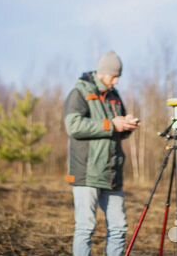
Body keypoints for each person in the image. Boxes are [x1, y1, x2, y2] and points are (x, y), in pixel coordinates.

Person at [64, 51, 140, 256]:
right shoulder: (79, 93)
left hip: (112, 173)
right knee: (85, 228)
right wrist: (111, 124)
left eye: (118, 77)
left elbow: (117, 130)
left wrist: (126, 126)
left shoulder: (115, 97)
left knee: (119, 228)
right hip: (86, 173)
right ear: (103, 73)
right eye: (114, 77)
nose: (116, 82)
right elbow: (74, 126)